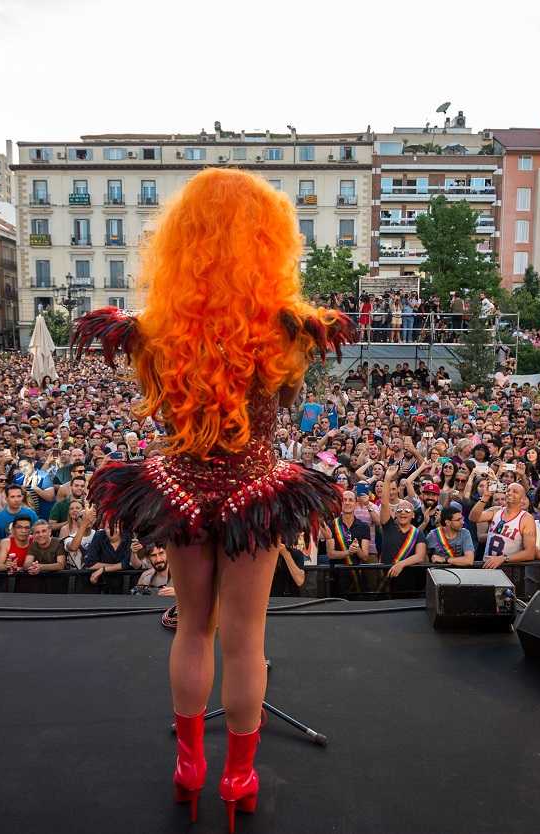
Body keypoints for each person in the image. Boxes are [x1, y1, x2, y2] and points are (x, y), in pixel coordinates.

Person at [71, 169, 354, 829]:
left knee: (192, 628)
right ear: (266, 240)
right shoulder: (289, 326)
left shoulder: (151, 327)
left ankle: (190, 766)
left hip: (181, 492)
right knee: (246, 639)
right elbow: (292, 390)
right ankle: (238, 776)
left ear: (182, 237)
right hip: (256, 491)